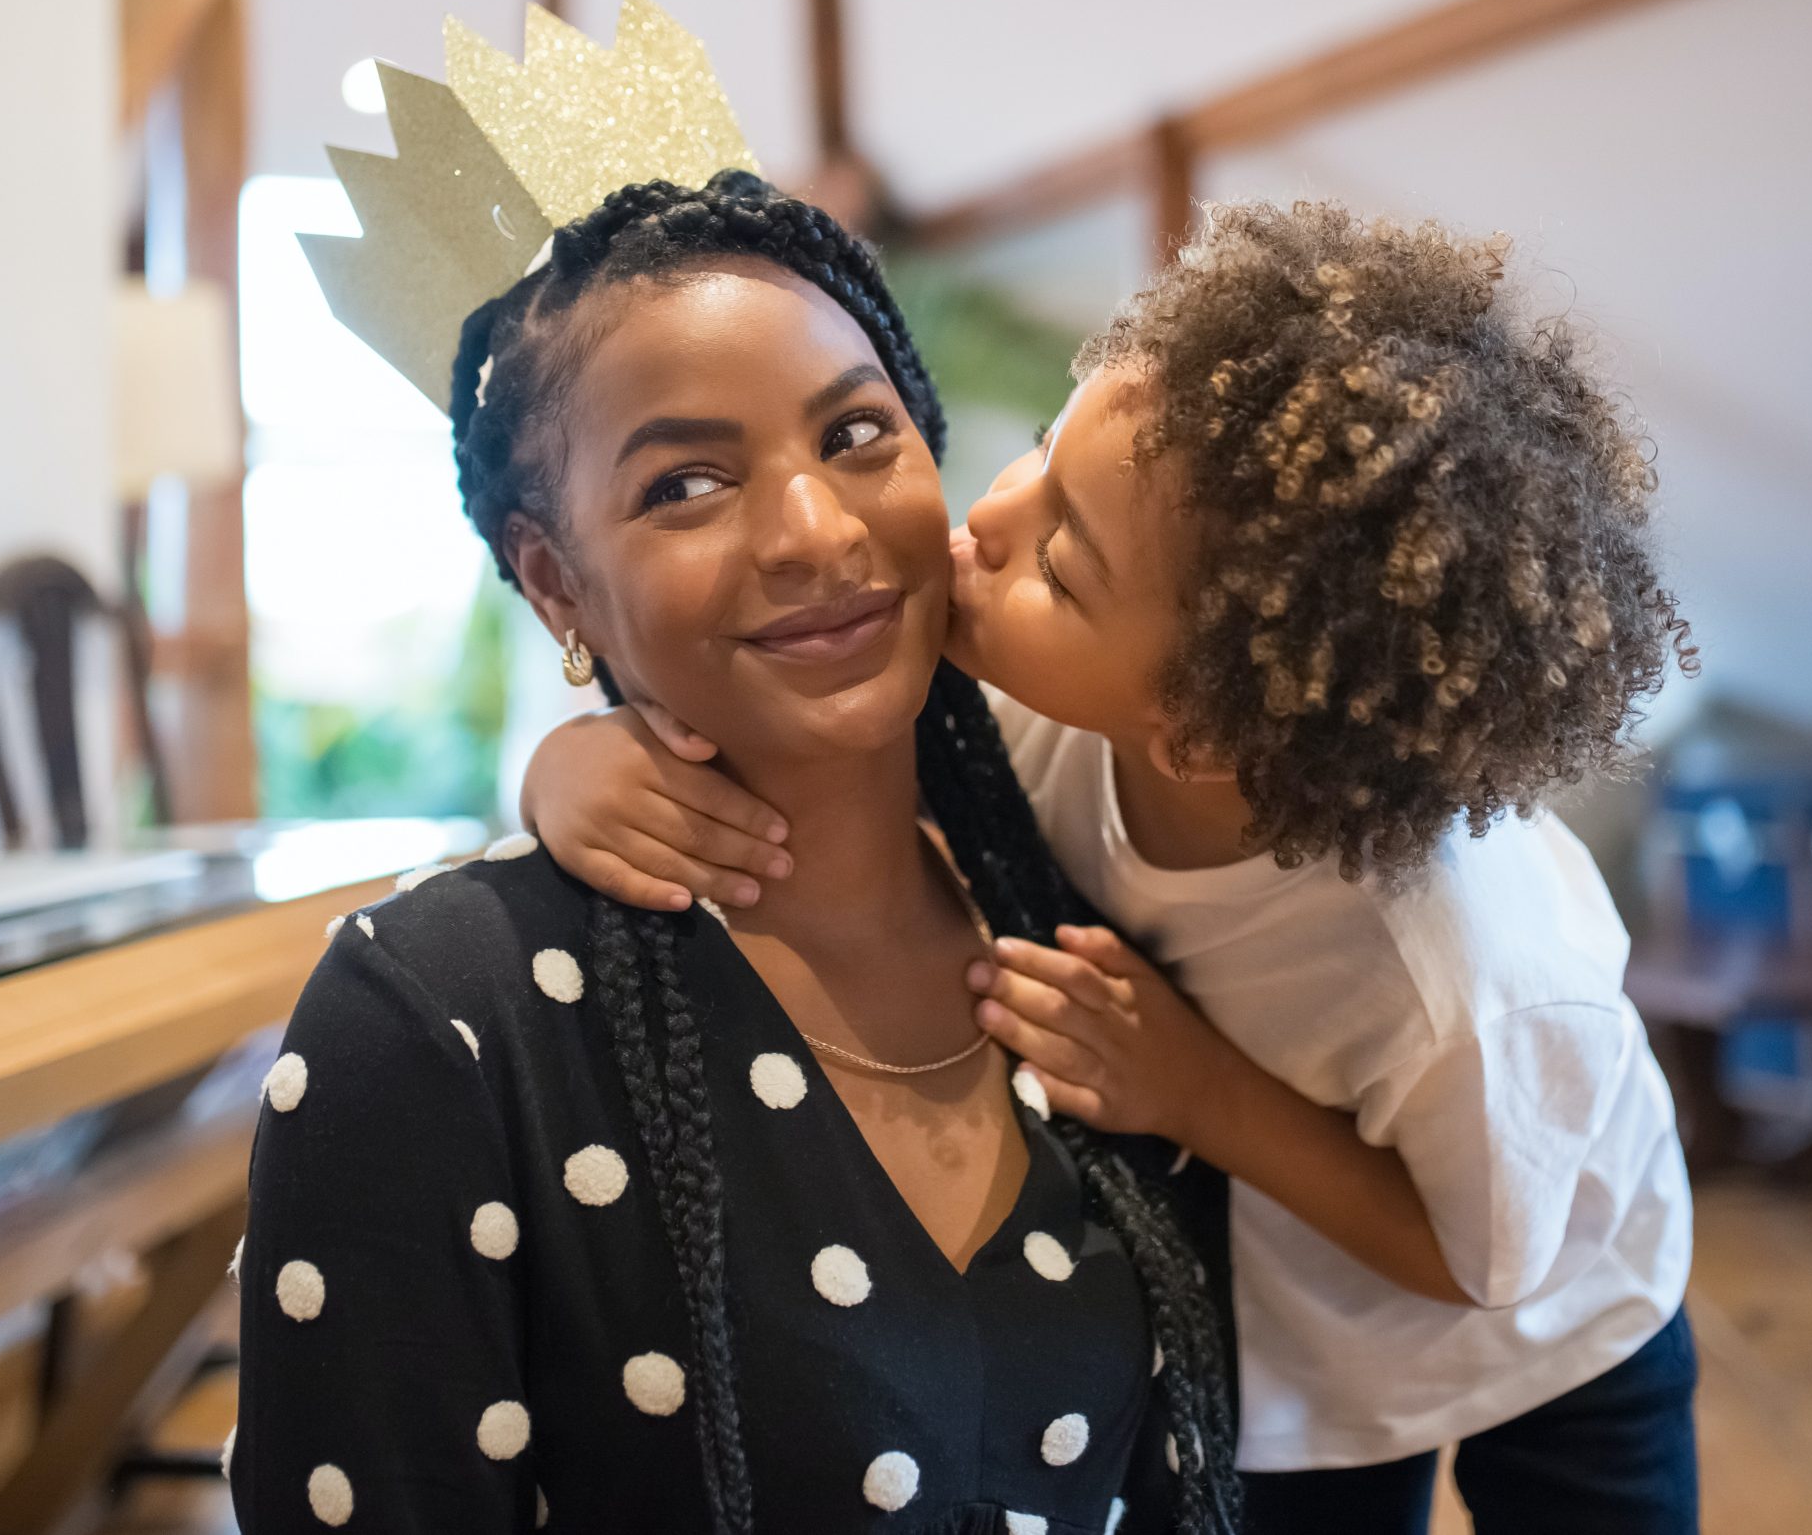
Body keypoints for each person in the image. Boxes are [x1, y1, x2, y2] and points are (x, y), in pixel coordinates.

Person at [525, 200, 1703, 1533]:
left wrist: (1194, 1088)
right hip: (1292, 1334)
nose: (987, 520)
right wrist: (586, 753)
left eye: (1064, 557)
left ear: (1199, 724)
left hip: (1550, 1320)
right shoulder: (1040, 697)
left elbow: (1479, 1259)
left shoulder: (1470, 972)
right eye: (1041, 448)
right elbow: (780, 732)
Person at [230, 171, 1241, 1535]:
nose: (817, 532)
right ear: (553, 579)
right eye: (685, 483)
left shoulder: (1085, 927)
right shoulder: (443, 1017)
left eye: (859, 432)